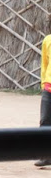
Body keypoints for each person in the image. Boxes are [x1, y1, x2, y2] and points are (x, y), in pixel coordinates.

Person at [35, 30, 51, 167]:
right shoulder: (48, 40)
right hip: (49, 88)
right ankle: (45, 156)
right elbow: (44, 64)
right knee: (45, 120)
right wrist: (43, 83)